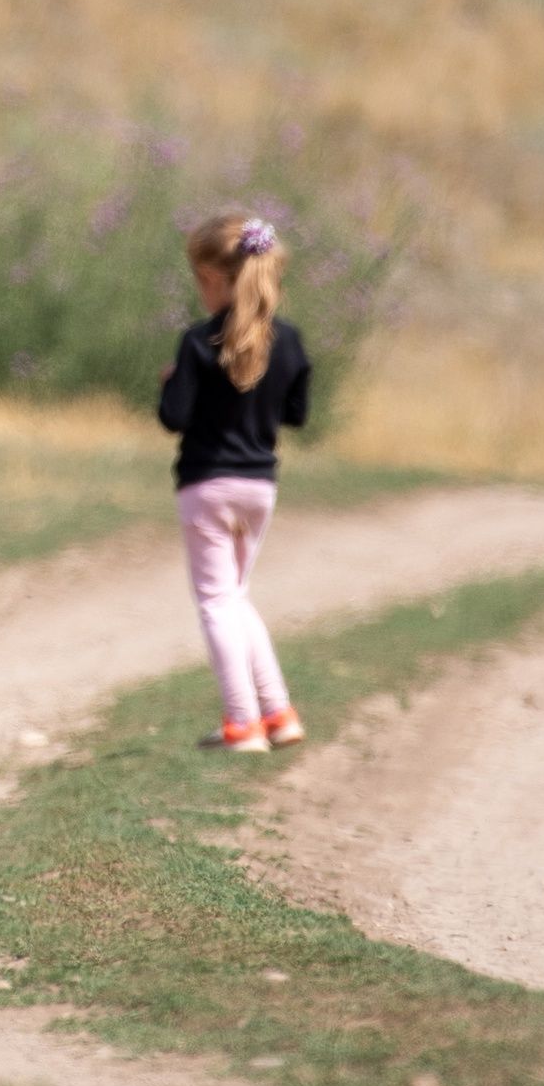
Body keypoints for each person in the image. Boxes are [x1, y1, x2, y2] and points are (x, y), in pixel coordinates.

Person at [157, 212, 311, 753]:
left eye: (201, 279)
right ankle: (278, 713)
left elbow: (174, 418)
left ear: (218, 279)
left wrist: (173, 384)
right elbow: (296, 413)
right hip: (260, 488)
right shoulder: (287, 341)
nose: (200, 290)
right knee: (235, 597)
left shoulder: (198, 343)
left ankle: (241, 723)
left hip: (206, 486)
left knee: (217, 603)